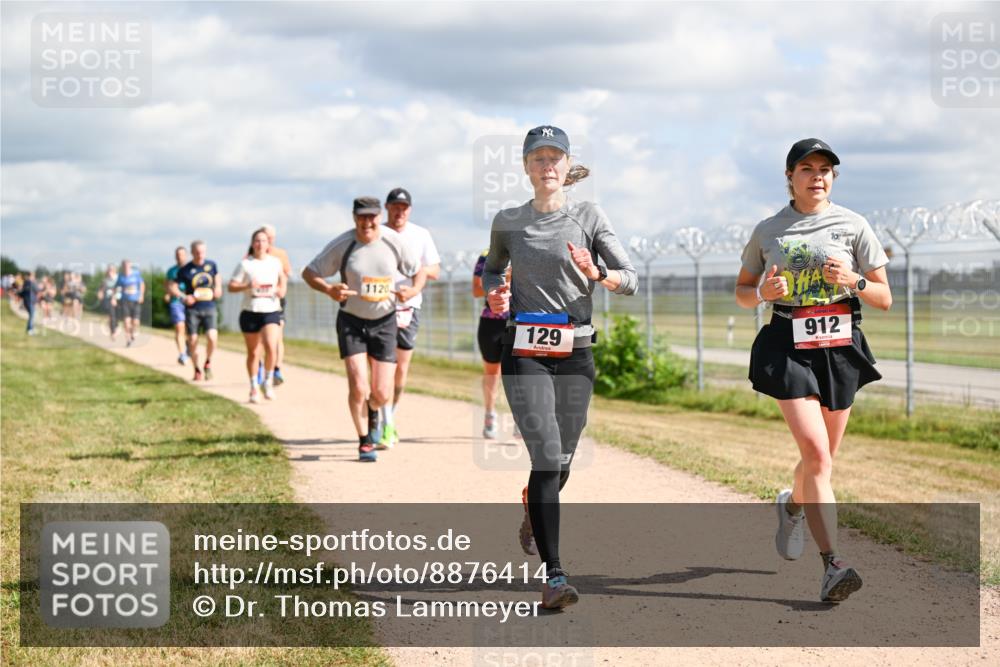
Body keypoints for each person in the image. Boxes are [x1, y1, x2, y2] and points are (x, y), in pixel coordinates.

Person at [482, 125, 637, 610]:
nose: (547, 165)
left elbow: (630, 278)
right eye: (538, 158)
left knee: (562, 460)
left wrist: (599, 274)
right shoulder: (508, 221)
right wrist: (495, 290)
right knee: (547, 455)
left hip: (576, 351)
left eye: (556, 158)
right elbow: (491, 267)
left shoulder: (589, 216)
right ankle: (554, 575)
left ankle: (534, 506)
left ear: (568, 167)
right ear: (526, 167)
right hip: (525, 350)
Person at [735, 138, 892, 603]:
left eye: (825, 169)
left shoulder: (854, 225)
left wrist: (855, 281)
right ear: (790, 176)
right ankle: (833, 566)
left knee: (822, 459)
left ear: (833, 178)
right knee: (818, 457)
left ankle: (793, 504)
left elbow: (884, 297)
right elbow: (743, 291)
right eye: (807, 168)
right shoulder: (769, 230)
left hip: (840, 346)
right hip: (788, 344)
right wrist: (763, 290)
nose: (817, 176)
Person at [302, 196, 420, 462]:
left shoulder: (393, 241)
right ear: (354, 217)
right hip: (351, 321)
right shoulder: (343, 244)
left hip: (385, 321)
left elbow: (418, 270)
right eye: (361, 217)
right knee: (358, 384)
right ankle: (364, 439)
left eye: (372, 217)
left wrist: (413, 290)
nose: (367, 222)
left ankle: (374, 410)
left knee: (381, 392)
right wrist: (329, 289)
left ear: (379, 216)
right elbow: (309, 273)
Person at [375, 187, 440, 450]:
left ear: (409, 210)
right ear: (387, 208)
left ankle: (391, 413)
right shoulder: (377, 232)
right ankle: (385, 422)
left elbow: (434, 268)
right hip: (380, 307)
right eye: (394, 207)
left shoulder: (420, 234)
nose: (399, 211)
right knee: (382, 367)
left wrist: (415, 278)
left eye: (403, 207)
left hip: (410, 306)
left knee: (400, 370)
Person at [229, 228, 287, 403]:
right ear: (252, 244)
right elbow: (231, 287)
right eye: (257, 240)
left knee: (271, 346)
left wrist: (280, 290)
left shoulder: (275, 262)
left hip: (270, 310)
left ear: (269, 244)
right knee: (254, 353)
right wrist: (247, 286)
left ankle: (267, 381)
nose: (260, 244)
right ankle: (254, 386)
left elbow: (283, 281)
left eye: (263, 240)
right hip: (250, 311)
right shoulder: (246, 264)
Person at [472, 249, 511, 439]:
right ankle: (490, 414)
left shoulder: (529, 251)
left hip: (520, 321)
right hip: (492, 322)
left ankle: (521, 418)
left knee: (520, 371)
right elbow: (476, 290)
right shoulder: (488, 255)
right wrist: (503, 282)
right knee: (492, 372)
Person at [174, 241, 222, 381]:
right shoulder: (186, 269)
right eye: (197, 252)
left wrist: (218, 289)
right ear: (192, 252)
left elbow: (217, 279)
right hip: (192, 310)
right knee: (193, 340)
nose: (200, 255)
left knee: (212, 337)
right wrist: (184, 297)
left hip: (209, 307)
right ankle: (196, 369)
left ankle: (208, 362)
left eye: (202, 252)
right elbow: (173, 286)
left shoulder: (211, 265)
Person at [261, 224, 293, 386]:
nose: (269, 240)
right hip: (259, 301)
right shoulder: (252, 255)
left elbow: (286, 274)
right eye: (266, 237)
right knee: (262, 338)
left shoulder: (280, 254)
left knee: (278, 336)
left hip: (277, 300)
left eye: (271, 237)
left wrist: (281, 288)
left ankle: (277, 369)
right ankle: (261, 366)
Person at [165, 246, 190, 365]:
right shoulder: (172, 271)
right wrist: (168, 293)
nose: (180, 257)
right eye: (178, 255)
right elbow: (168, 285)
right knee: (180, 327)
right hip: (176, 302)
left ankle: (188, 347)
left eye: (182, 254)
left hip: (190, 302)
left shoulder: (191, 269)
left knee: (189, 330)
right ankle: (182, 354)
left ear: (186, 255)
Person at [115, 259, 145, 346]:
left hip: (136, 301)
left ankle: (132, 333)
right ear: (122, 266)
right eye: (124, 266)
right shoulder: (120, 276)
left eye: (127, 265)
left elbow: (142, 284)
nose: (125, 267)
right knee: (126, 321)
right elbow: (116, 287)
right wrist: (114, 298)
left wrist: (141, 295)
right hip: (125, 301)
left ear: (130, 266)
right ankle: (128, 339)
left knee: (136, 322)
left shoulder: (136, 274)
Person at [98, 264, 120, 341]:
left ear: (114, 270)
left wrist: (114, 298)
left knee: (117, 316)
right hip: (108, 299)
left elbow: (118, 289)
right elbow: (101, 289)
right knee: (111, 316)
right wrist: (100, 294)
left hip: (119, 299)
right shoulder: (105, 280)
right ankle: (113, 332)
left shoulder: (118, 278)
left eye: (111, 270)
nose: (110, 271)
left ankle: (115, 326)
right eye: (109, 270)